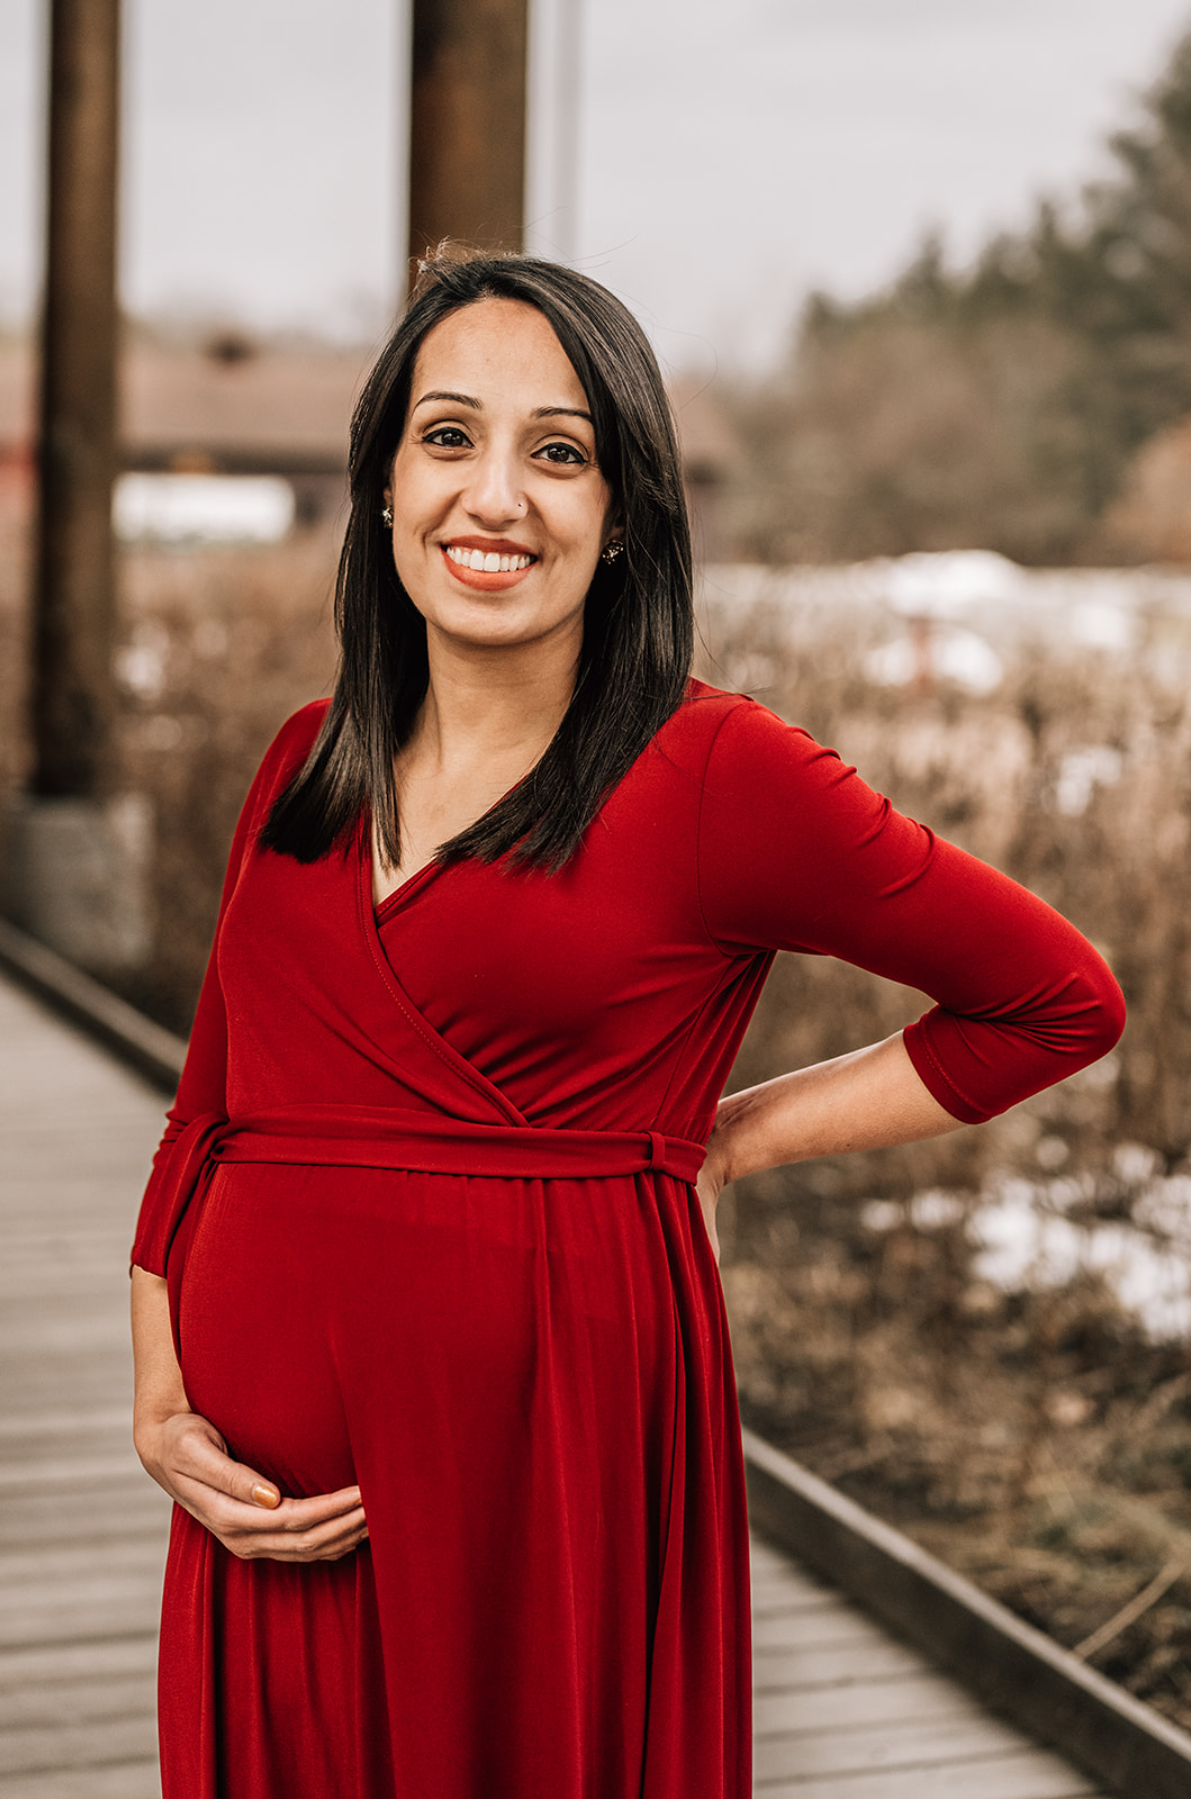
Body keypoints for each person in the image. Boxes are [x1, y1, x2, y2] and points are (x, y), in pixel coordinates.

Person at [130, 253, 1125, 1799]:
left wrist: (728, 1136)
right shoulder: (299, 765)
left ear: (626, 511)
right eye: (449, 437)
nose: (496, 497)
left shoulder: (721, 776)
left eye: (561, 450)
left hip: (545, 1469)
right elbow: (210, 1114)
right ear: (383, 481)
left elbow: (1055, 1004)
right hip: (257, 1516)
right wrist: (160, 1405)